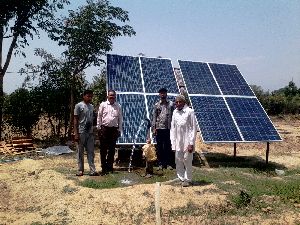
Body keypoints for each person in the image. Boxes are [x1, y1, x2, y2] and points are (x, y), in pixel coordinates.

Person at [170, 95, 197, 187]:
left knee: (187, 160)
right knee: (178, 159)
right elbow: (173, 128)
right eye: (176, 102)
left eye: (180, 102)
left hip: (187, 140)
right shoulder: (175, 112)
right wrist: (173, 143)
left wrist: (191, 143)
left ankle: (188, 179)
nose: (178, 104)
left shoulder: (190, 112)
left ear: (184, 102)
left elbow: (193, 128)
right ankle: (180, 177)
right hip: (178, 140)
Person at [97, 90, 123, 175]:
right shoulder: (103, 105)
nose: (112, 97)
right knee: (103, 150)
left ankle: (110, 167)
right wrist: (99, 128)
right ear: (107, 96)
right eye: (110, 95)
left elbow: (120, 119)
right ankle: (103, 167)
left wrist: (119, 130)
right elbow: (99, 117)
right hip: (104, 129)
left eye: (113, 96)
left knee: (112, 150)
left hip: (114, 130)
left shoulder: (118, 106)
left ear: (115, 97)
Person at [74, 90, 98, 176]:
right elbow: (76, 120)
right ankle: (80, 170)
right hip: (81, 132)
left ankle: (93, 170)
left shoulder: (91, 106)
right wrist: (76, 134)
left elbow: (93, 119)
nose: (90, 98)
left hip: (90, 133)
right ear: (84, 96)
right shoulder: (78, 106)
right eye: (88, 96)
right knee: (80, 152)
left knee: (91, 152)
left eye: (91, 96)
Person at [152, 88, 175, 170]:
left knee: (168, 146)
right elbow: (154, 117)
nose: (162, 94)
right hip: (159, 128)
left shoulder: (171, 104)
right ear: (159, 94)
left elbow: (174, 116)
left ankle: (168, 163)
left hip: (168, 129)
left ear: (166, 94)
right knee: (159, 147)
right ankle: (160, 163)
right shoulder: (156, 105)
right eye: (161, 93)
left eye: (164, 93)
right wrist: (154, 128)